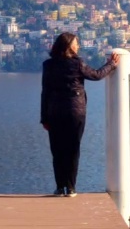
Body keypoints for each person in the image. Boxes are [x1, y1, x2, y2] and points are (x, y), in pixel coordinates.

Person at [40, 32, 119, 197]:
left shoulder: (48, 65)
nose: (78, 46)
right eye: (76, 43)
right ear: (69, 46)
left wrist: (44, 118)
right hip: (75, 113)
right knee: (73, 150)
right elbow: (96, 75)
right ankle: (71, 188)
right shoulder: (77, 64)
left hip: (54, 113)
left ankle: (60, 187)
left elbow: (45, 92)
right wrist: (111, 65)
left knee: (57, 151)